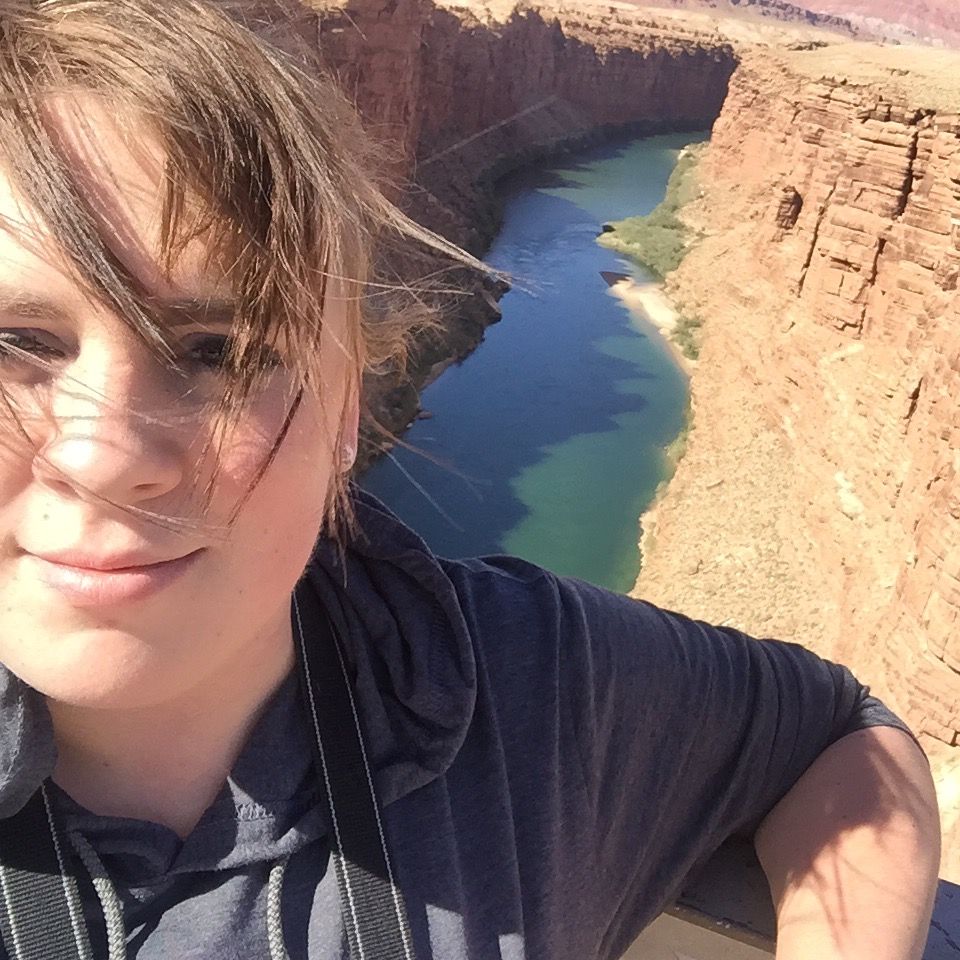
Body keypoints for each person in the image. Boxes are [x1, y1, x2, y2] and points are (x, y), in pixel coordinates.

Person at [0, 1, 940, 959]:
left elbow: (842, 732)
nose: (102, 456)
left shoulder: (522, 685)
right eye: (15, 344)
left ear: (349, 409)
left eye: (219, 350)